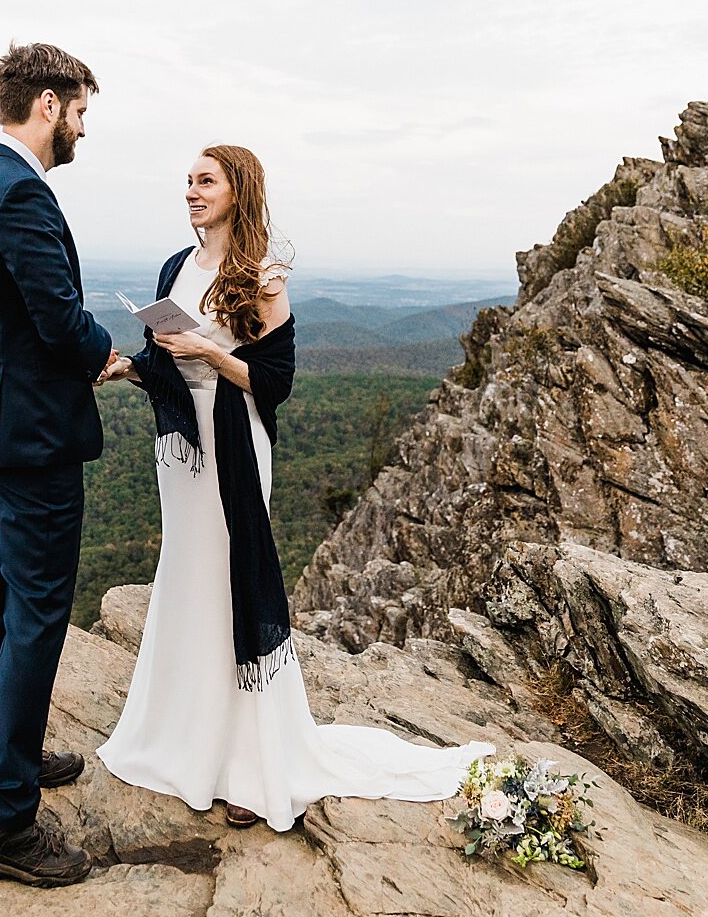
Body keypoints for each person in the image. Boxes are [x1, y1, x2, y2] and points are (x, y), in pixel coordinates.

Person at [95, 144, 493, 830]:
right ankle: (183, 740)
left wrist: (212, 354)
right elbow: (167, 364)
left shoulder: (263, 276)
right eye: (187, 182)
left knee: (233, 580)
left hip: (235, 446)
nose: (191, 192)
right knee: (189, 578)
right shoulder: (175, 268)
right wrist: (129, 368)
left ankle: (251, 762)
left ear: (237, 190)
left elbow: (274, 382)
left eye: (206, 182)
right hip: (181, 454)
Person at [0, 42, 115, 886]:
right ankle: (5, 823)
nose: (82, 128)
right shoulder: (20, 194)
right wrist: (107, 355)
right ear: (47, 105)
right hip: (35, 440)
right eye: (79, 110)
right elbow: (56, 319)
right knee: (37, 614)